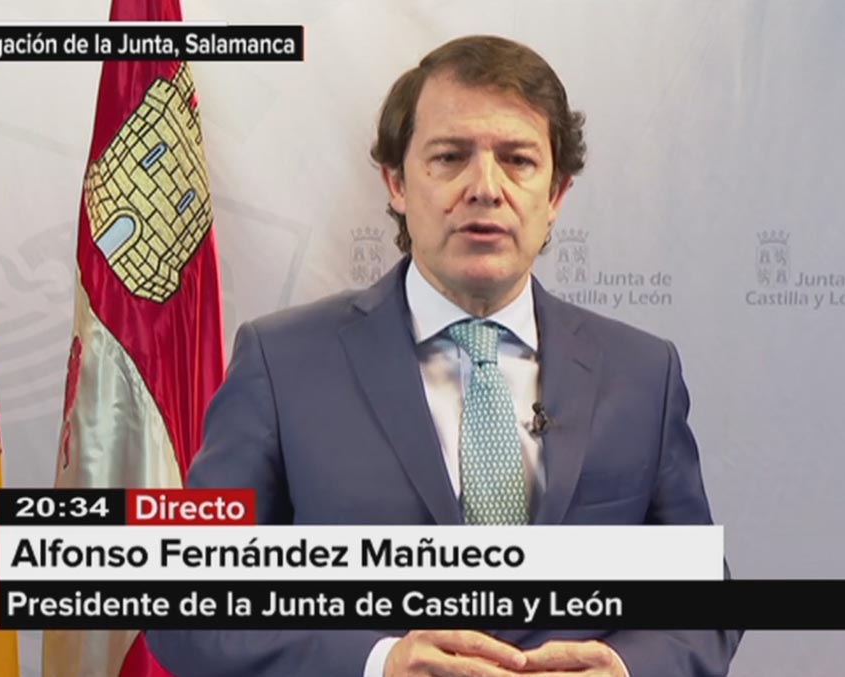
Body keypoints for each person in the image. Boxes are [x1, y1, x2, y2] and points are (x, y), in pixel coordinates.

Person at [146, 35, 741, 676]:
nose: (485, 188)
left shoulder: (643, 374)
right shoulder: (279, 363)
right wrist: (378, 663)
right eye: (450, 157)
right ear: (397, 182)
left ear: (556, 195)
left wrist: (625, 670)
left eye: (518, 160)